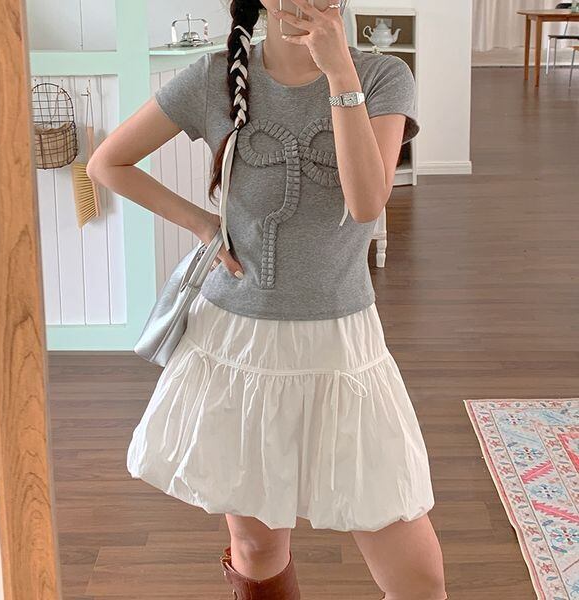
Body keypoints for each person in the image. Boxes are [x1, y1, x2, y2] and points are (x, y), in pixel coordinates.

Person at [87, 0, 447, 598]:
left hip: (341, 347)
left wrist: (339, 74)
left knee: (418, 576)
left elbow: (366, 203)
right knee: (256, 549)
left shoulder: (383, 75)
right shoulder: (214, 77)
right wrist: (204, 225)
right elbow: (108, 162)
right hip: (238, 344)